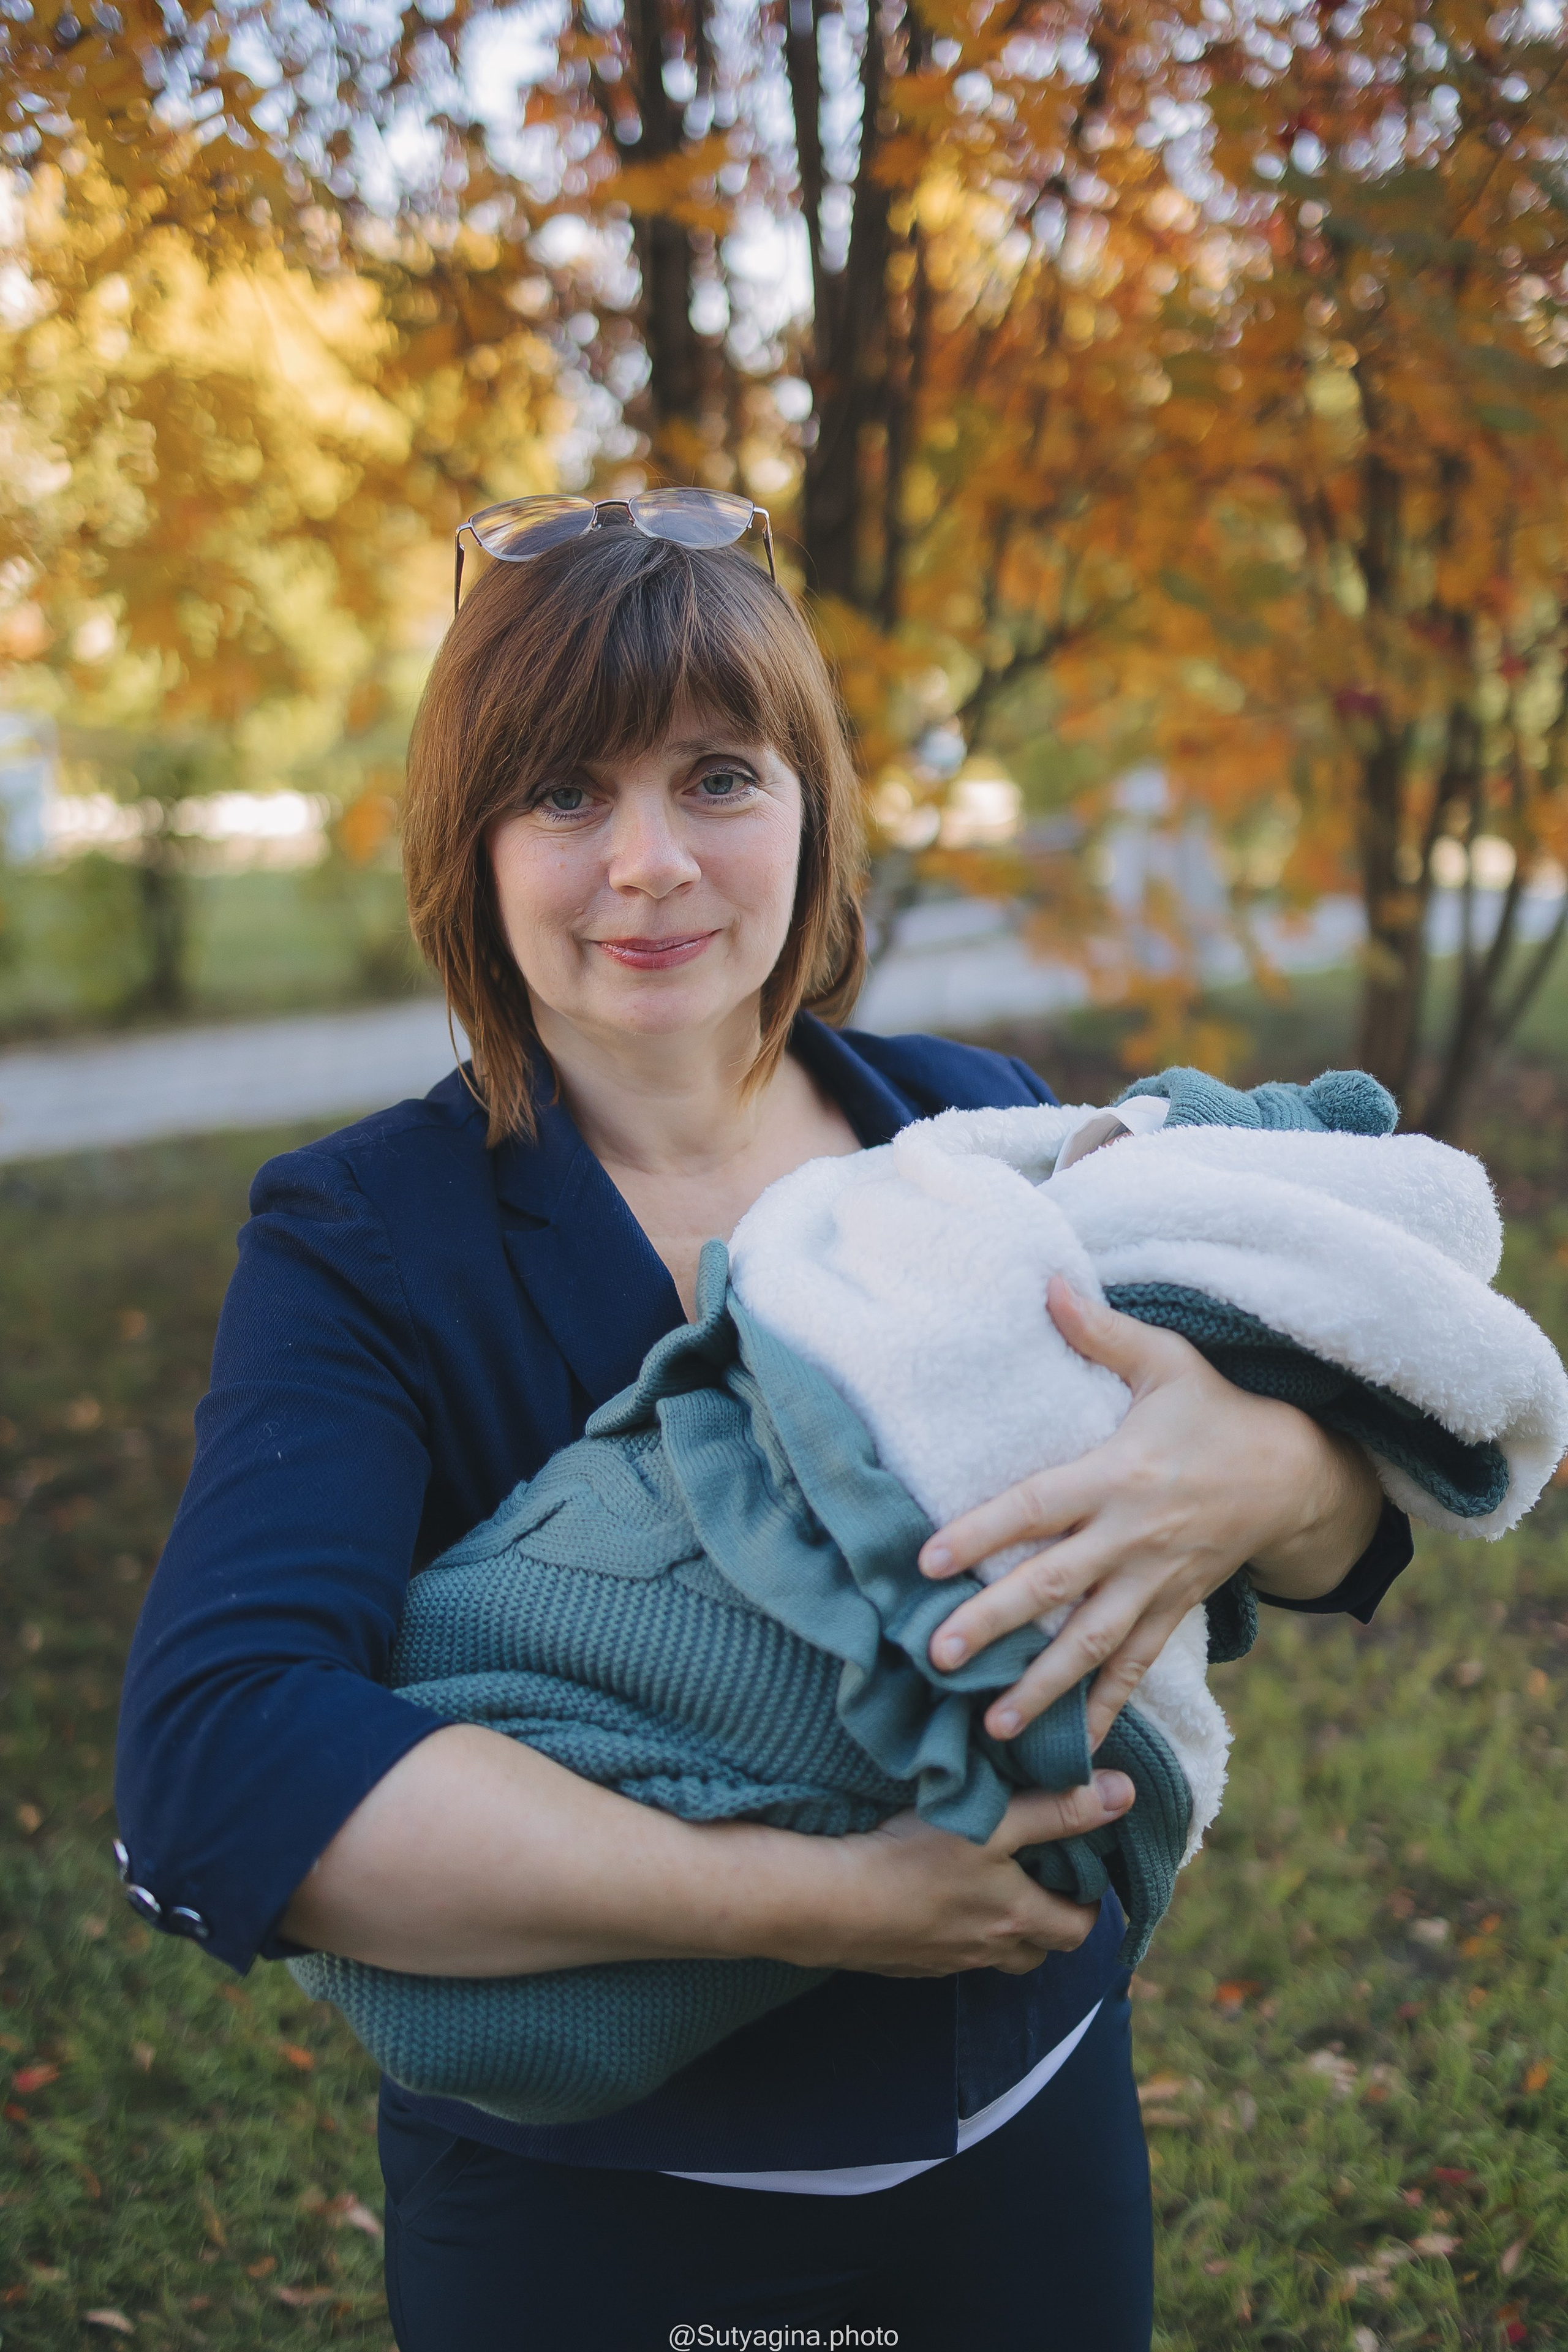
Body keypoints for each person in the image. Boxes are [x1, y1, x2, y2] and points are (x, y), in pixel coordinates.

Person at [114, 499, 1411, 2352]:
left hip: (1031, 2149)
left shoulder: (970, 1125)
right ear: (470, 845)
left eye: (717, 776)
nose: (648, 863)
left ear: (810, 805)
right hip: (599, 2225)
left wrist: (1265, 1469)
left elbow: (1344, 1535)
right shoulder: (366, 1237)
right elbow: (218, 1767)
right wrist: (808, 1903)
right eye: (564, 794)